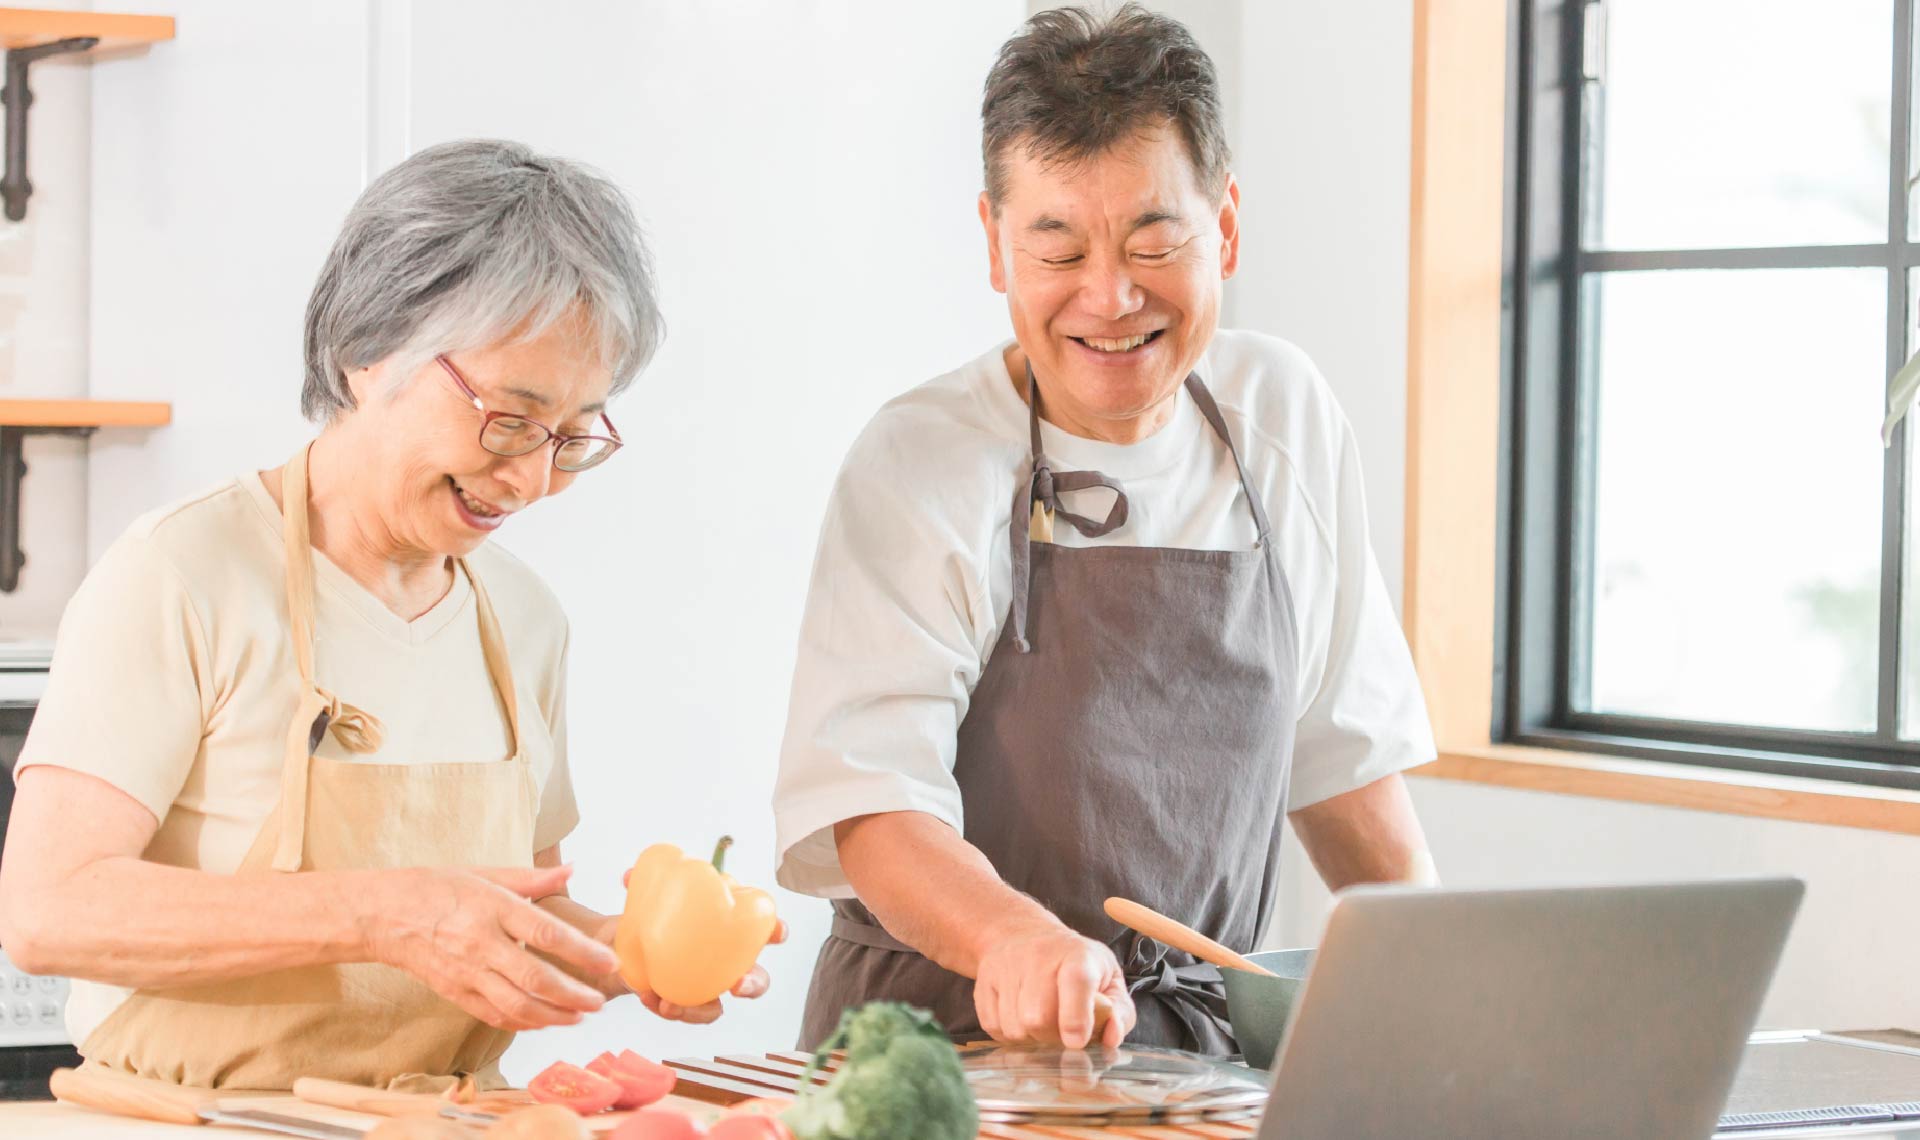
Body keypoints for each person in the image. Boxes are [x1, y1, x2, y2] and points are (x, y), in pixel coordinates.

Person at [0, 139, 777, 1090]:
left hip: (445, 1118)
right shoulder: (182, 574)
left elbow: (509, 911)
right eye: (510, 418)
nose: (532, 480)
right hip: (194, 1123)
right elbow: (47, 909)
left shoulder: (524, 623)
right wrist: (381, 915)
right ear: (369, 352)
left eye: (572, 437)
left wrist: (636, 956)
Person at [773, 6, 1437, 1055]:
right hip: (936, 1053)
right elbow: (872, 807)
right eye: (1058, 246)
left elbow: (1343, 757)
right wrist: (1015, 942)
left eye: (1152, 238)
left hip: (1188, 1068)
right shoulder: (920, 460)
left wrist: (1462, 1002)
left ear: (1222, 226)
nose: (1110, 296)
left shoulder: (1285, 415)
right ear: (996, 247)